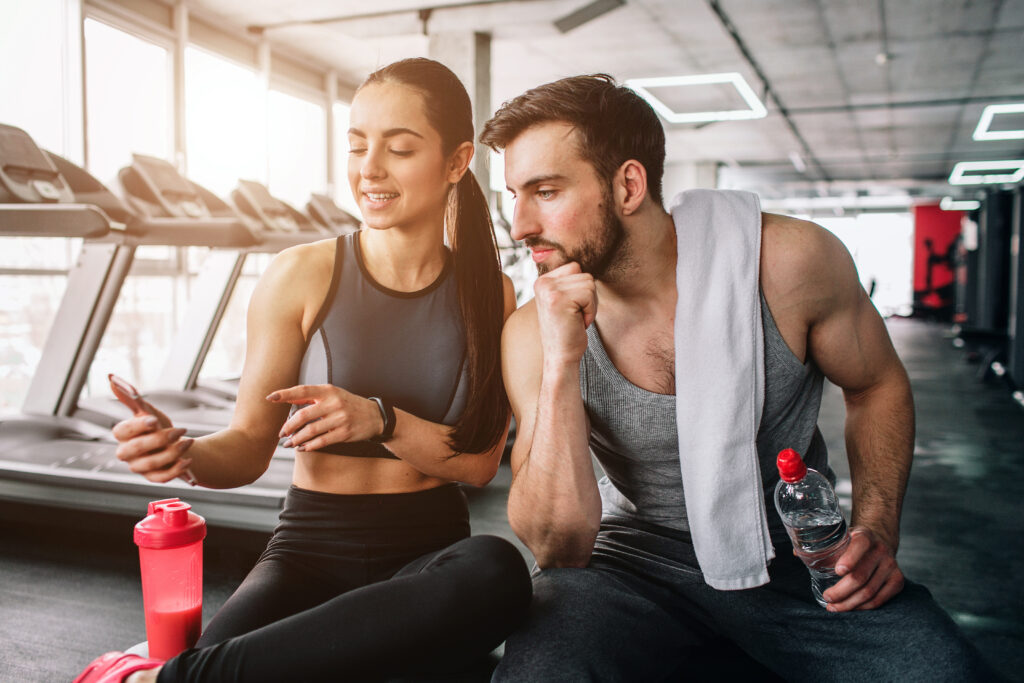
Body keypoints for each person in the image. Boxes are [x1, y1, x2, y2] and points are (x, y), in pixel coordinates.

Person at [479, 74, 995, 681]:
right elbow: (557, 548)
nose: (519, 225)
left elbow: (876, 384)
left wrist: (876, 526)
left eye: (545, 191)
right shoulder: (530, 333)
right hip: (633, 561)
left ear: (627, 185)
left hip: (793, 553)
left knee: (941, 671)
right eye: (514, 195)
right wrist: (563, 361)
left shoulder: (788, 263)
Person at [74, 58, 531, 683]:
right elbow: (246, 449)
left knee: (496, 569)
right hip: (310, 552)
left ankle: (161, 679)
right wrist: (184, 454)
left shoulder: (491, 295)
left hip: (427, 561)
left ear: (457, 162)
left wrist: (378, 419)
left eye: (398, 148)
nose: (369, 168)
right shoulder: (300, 274)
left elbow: (478, 464)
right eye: (356, 145)